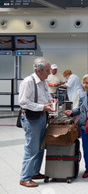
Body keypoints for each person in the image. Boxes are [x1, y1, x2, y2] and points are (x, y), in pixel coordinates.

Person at [19, 58, 57, 187]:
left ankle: (35, 172)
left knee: (40, 147)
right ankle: (24, 178)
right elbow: (23, 102)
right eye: (47, 71)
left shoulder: (43, 82)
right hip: (31, 119)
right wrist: (42, 107)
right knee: (32, 148)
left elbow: (46, 98)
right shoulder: (28, 82)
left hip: (42, 117)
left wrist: (51, 102)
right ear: (38, 70)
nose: (49, 73)